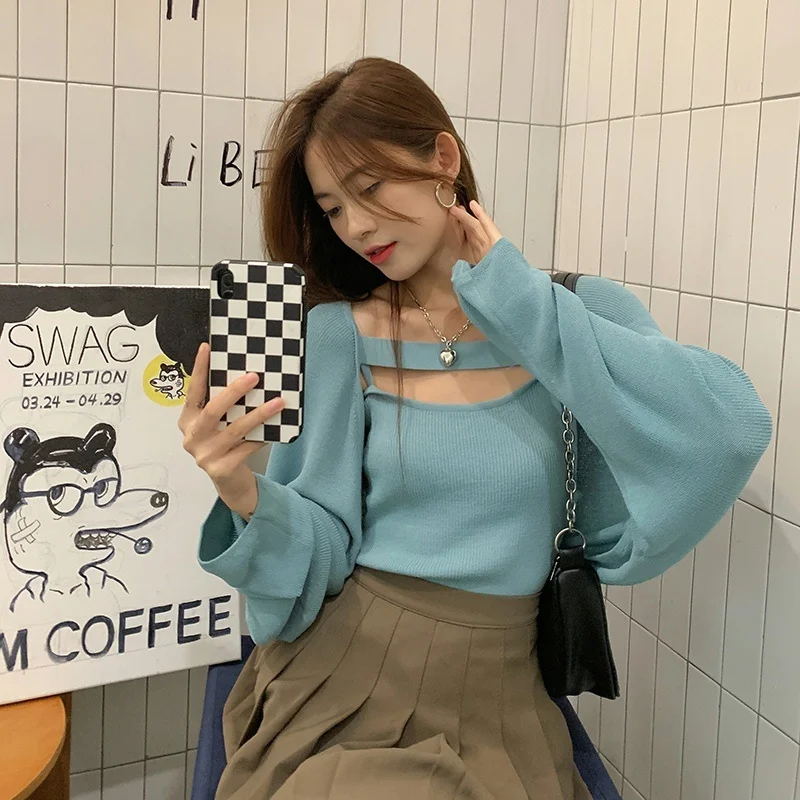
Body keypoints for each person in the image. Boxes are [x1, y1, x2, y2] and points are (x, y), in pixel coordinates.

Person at [178, 57, 772, 800]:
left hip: (505, 690)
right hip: (352, 675)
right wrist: (239, 487)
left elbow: (729, 431)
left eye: (370, 188)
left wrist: (517, 299)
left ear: (443, 159)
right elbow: (321, 547)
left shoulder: (571, 312)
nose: (356, 226)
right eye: (332, 209)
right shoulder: (337, 335)